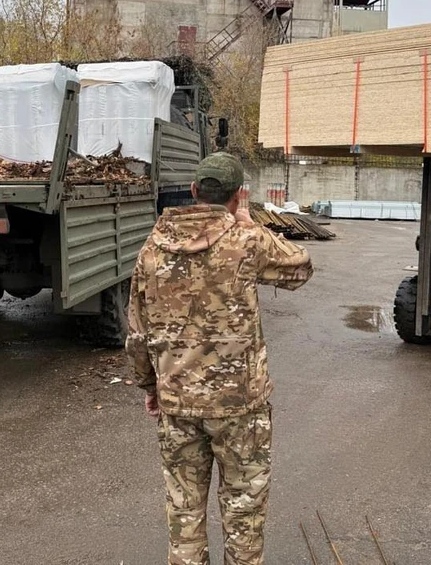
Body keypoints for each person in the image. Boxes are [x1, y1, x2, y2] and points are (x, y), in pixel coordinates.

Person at [125, 152, 314, 564]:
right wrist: (249, 223)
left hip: (178, 404)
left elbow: (137, 333)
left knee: (184, 510)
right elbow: (301, 268)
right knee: (244, 512)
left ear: (194, 191)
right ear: (238, 196)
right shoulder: (248, 241)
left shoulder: (151, 250)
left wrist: (149, 387)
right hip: (240, 407)